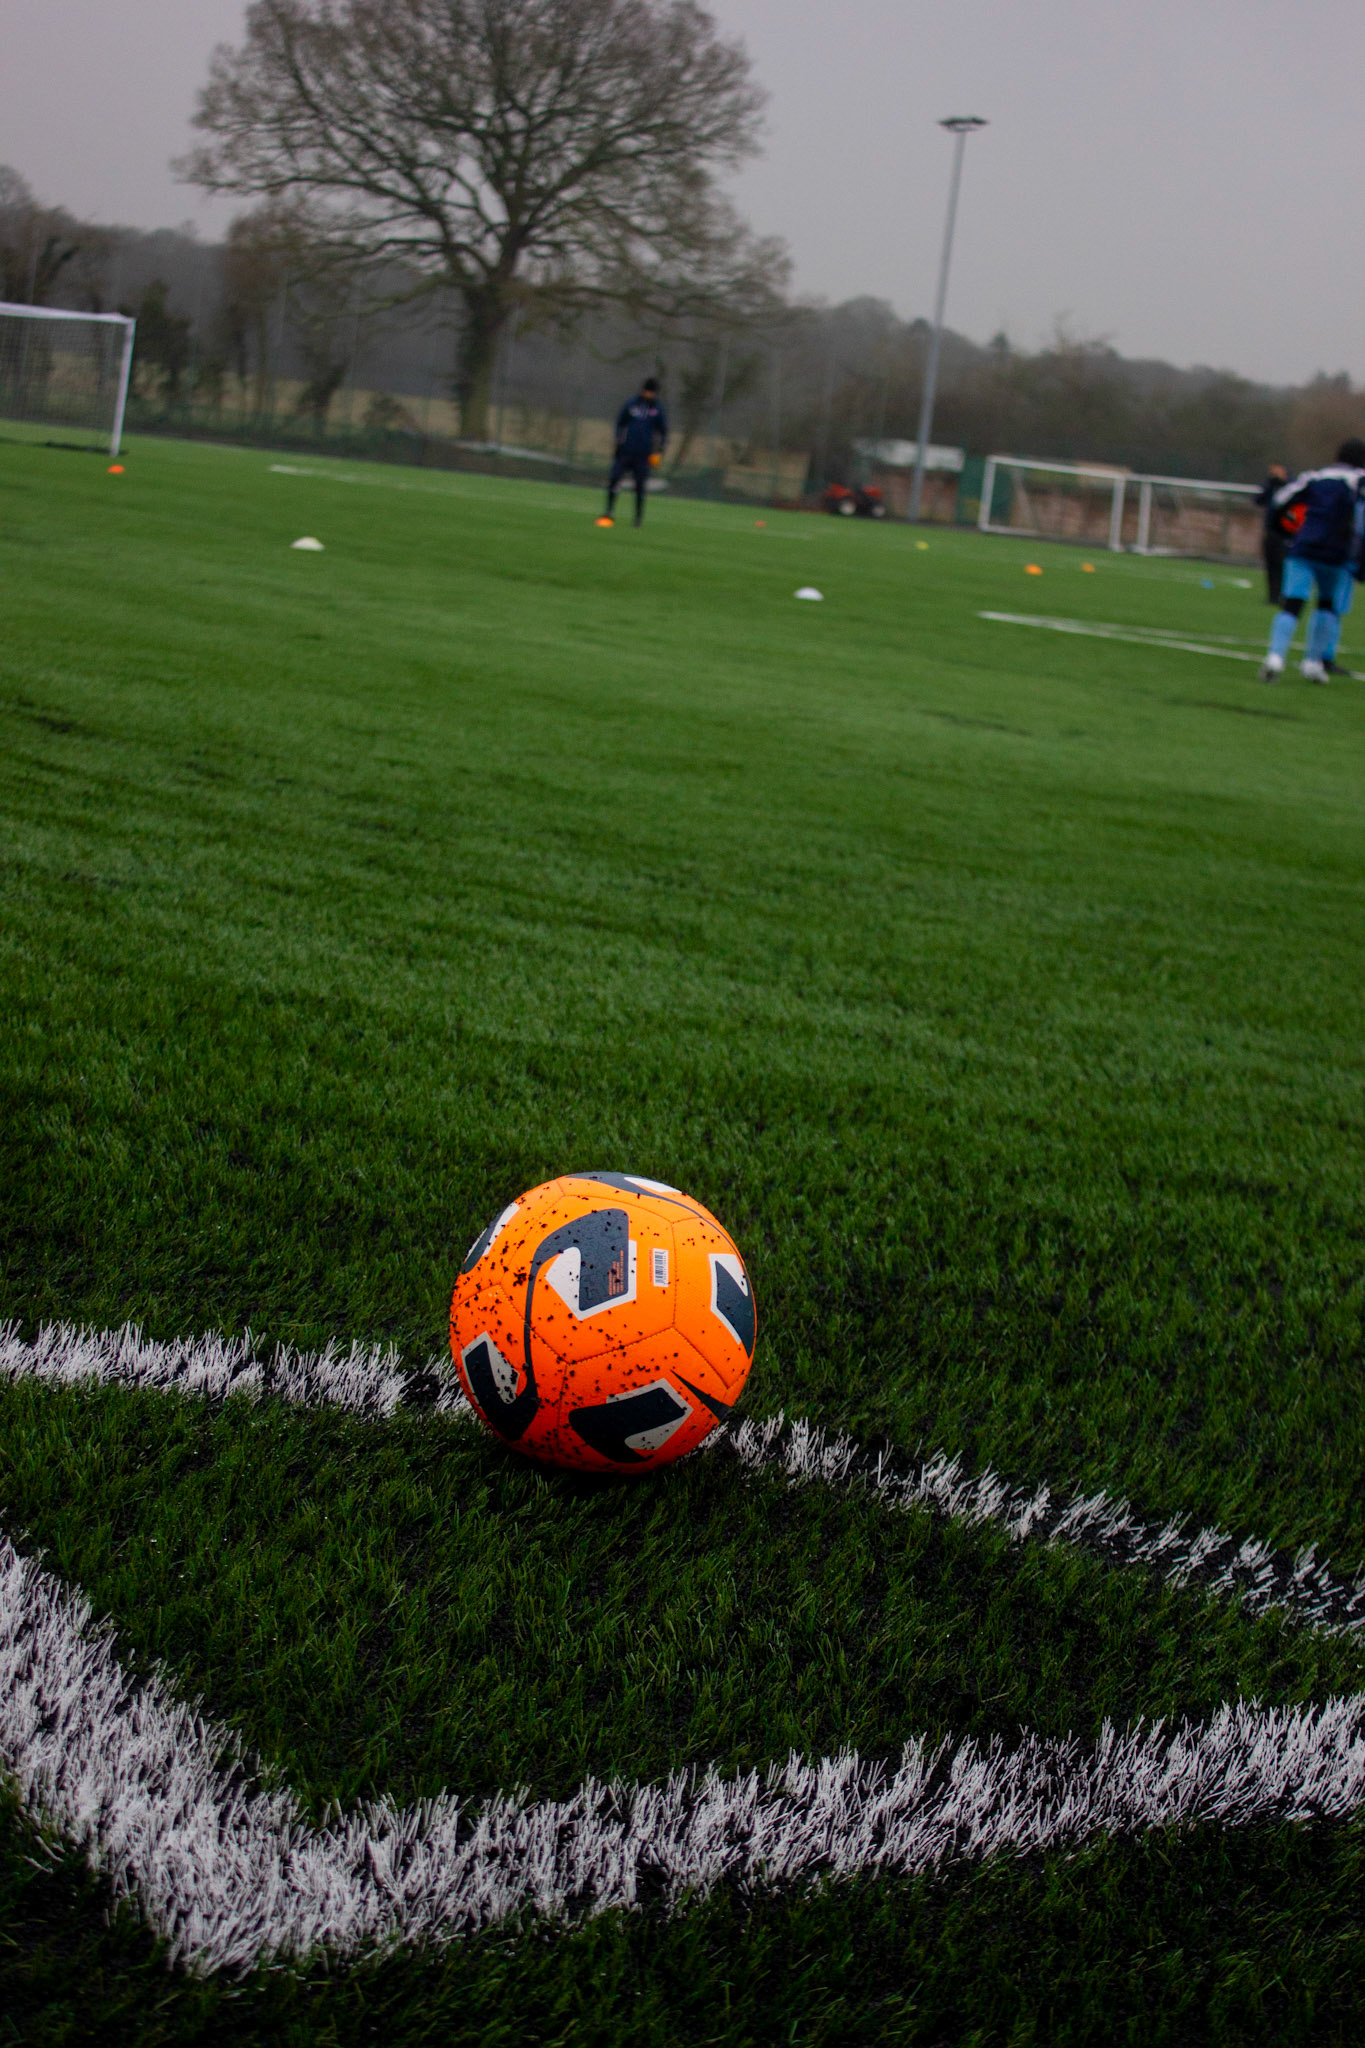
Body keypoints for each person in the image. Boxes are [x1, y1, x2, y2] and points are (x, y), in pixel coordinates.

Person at [1259, 438, 1365, 683]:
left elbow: (1280, 500)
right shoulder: (1359, 480)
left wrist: (1283, 530)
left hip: (1304, 547)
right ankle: (1312, 662)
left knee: (1292, 603)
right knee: (1327, 604)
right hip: (1336, 552)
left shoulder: (1314, 477)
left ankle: (1275, 657)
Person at [600, 375, 668, 528]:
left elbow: (663, 431)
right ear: (643, 390)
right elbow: (620, 422)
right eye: (647, 391)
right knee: (614, 479)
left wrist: (660, 450)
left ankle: (637, 518)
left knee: (639, 487)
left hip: (643, 455)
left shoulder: (657, 409)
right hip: (625, 452)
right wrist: (618, 440)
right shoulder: (631, 404)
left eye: (652, 392)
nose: (649, 395)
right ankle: (608, 512)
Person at [1253, 462, 1290, 605]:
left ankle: (1283, 595)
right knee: (1270, 563)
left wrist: (1282, 482)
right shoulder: (1271, 485)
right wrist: (1270, 484)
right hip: (1271, 530)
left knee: (1282, 564)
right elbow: (1258, 500)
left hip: (1285, 532)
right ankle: (1272, 595)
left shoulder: (1289, 486)